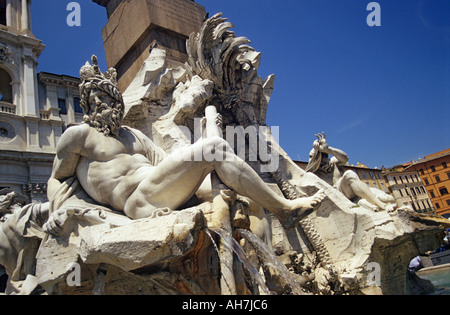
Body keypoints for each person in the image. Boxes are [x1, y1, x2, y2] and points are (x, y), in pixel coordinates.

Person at [44, 56, 326, 234]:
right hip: (136, 202)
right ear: (86, 104)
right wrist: (58, 212)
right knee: (213, 149)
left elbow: (168, 162)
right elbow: (57, 180)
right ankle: (285, 209)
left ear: (116, 99)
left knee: (241, 193)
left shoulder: (132, 134)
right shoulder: (78, 135)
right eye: (93, 99)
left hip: (161, 188)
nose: (100, 103)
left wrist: (201, 142)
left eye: (105, 96)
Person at [305, 132, 396, 212]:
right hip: (336, 196)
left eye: (323, 156)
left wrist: (328, 149)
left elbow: (345, 158)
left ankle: (376, 203)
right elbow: (306, 173)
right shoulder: (313, 173)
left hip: (349, 189)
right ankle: (381, 205)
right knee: (349, 174)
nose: (321, 159)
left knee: (388, 198)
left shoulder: (333, 162)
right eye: (314, 157)